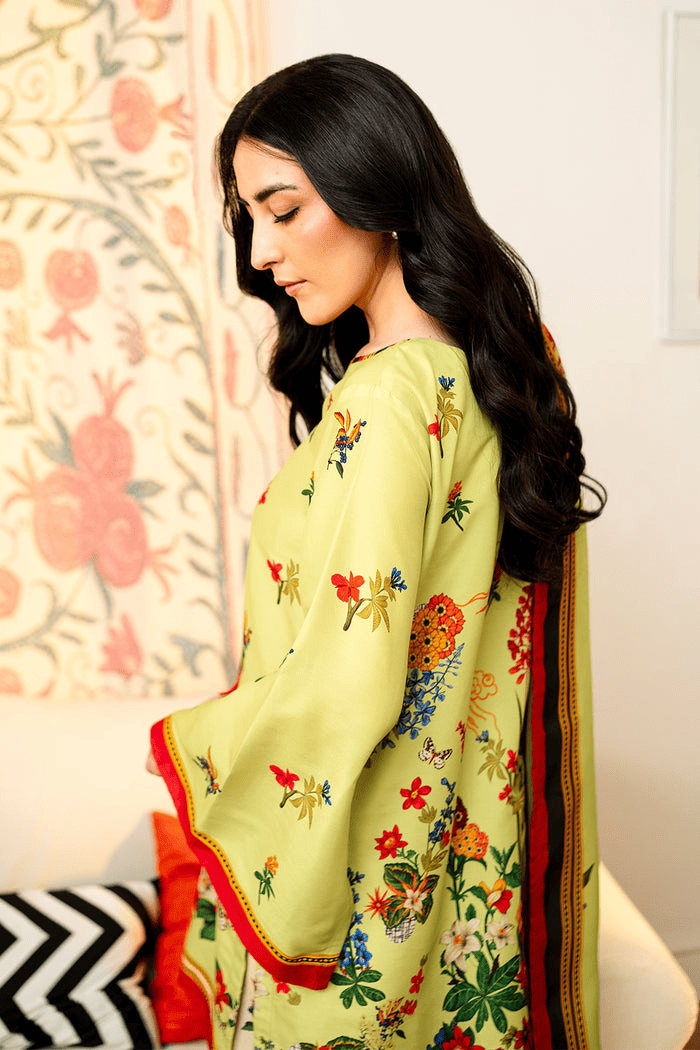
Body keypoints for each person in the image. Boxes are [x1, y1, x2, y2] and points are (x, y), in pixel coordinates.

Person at [149, 53, 605, 1050]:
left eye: (285, 209)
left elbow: (346, 673)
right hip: (455, 856)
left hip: (367, 879)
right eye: (249, 218)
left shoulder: (389, 401)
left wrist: (193, 750)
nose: (262, 251)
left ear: (377, 191)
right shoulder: (486, 370)